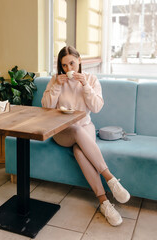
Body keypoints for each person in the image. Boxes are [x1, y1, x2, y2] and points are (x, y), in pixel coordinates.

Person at [41, 46, 130, 226]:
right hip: (62, 131)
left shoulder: (91, 79)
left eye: (72, 63)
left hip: (85, 126)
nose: (68, 69)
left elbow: (96, 107)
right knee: (74, 129)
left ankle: (104, 202)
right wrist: (57, 85)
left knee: (80, 151)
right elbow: (46, 107)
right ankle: (110, 178)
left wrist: (85, 86)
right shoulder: (56, 80)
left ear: (79, 60)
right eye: (64, 65)